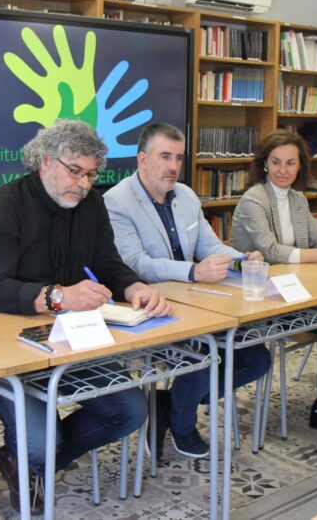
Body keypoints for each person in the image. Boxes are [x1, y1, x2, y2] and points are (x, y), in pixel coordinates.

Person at [0, 119, 172, 514]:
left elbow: (109, 265)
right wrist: (59, 297)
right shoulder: (3, 206)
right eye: (75, 171)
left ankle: (29, 461)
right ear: (45, 162)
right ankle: (35, 455)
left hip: (68, 339)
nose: (84, 184)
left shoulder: (91, 205)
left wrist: (135, 289)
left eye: (91, 174)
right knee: (41, 441)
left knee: (129, 411)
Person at [103, 122, 270, 459]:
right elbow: (135, 263)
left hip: (197, 300)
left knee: (257, 357)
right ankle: (182, 422)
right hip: (151, 305)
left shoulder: (187, 195)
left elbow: (210, 246)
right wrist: (193, 271)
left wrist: (242, 260)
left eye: (178, 158)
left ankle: (172, 400)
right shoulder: (116, 201)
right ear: (142, 159)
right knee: (206, 354)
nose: (174, 166)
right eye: (165, 156)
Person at [230, 130, 317, 436]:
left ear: (300, 167)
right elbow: (272, 252)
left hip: (296, 293)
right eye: (276, 162)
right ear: (264, 164)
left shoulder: (297, 199)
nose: (283, 170)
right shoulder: (254, 200)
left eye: (290, 163)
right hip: (259, 299)